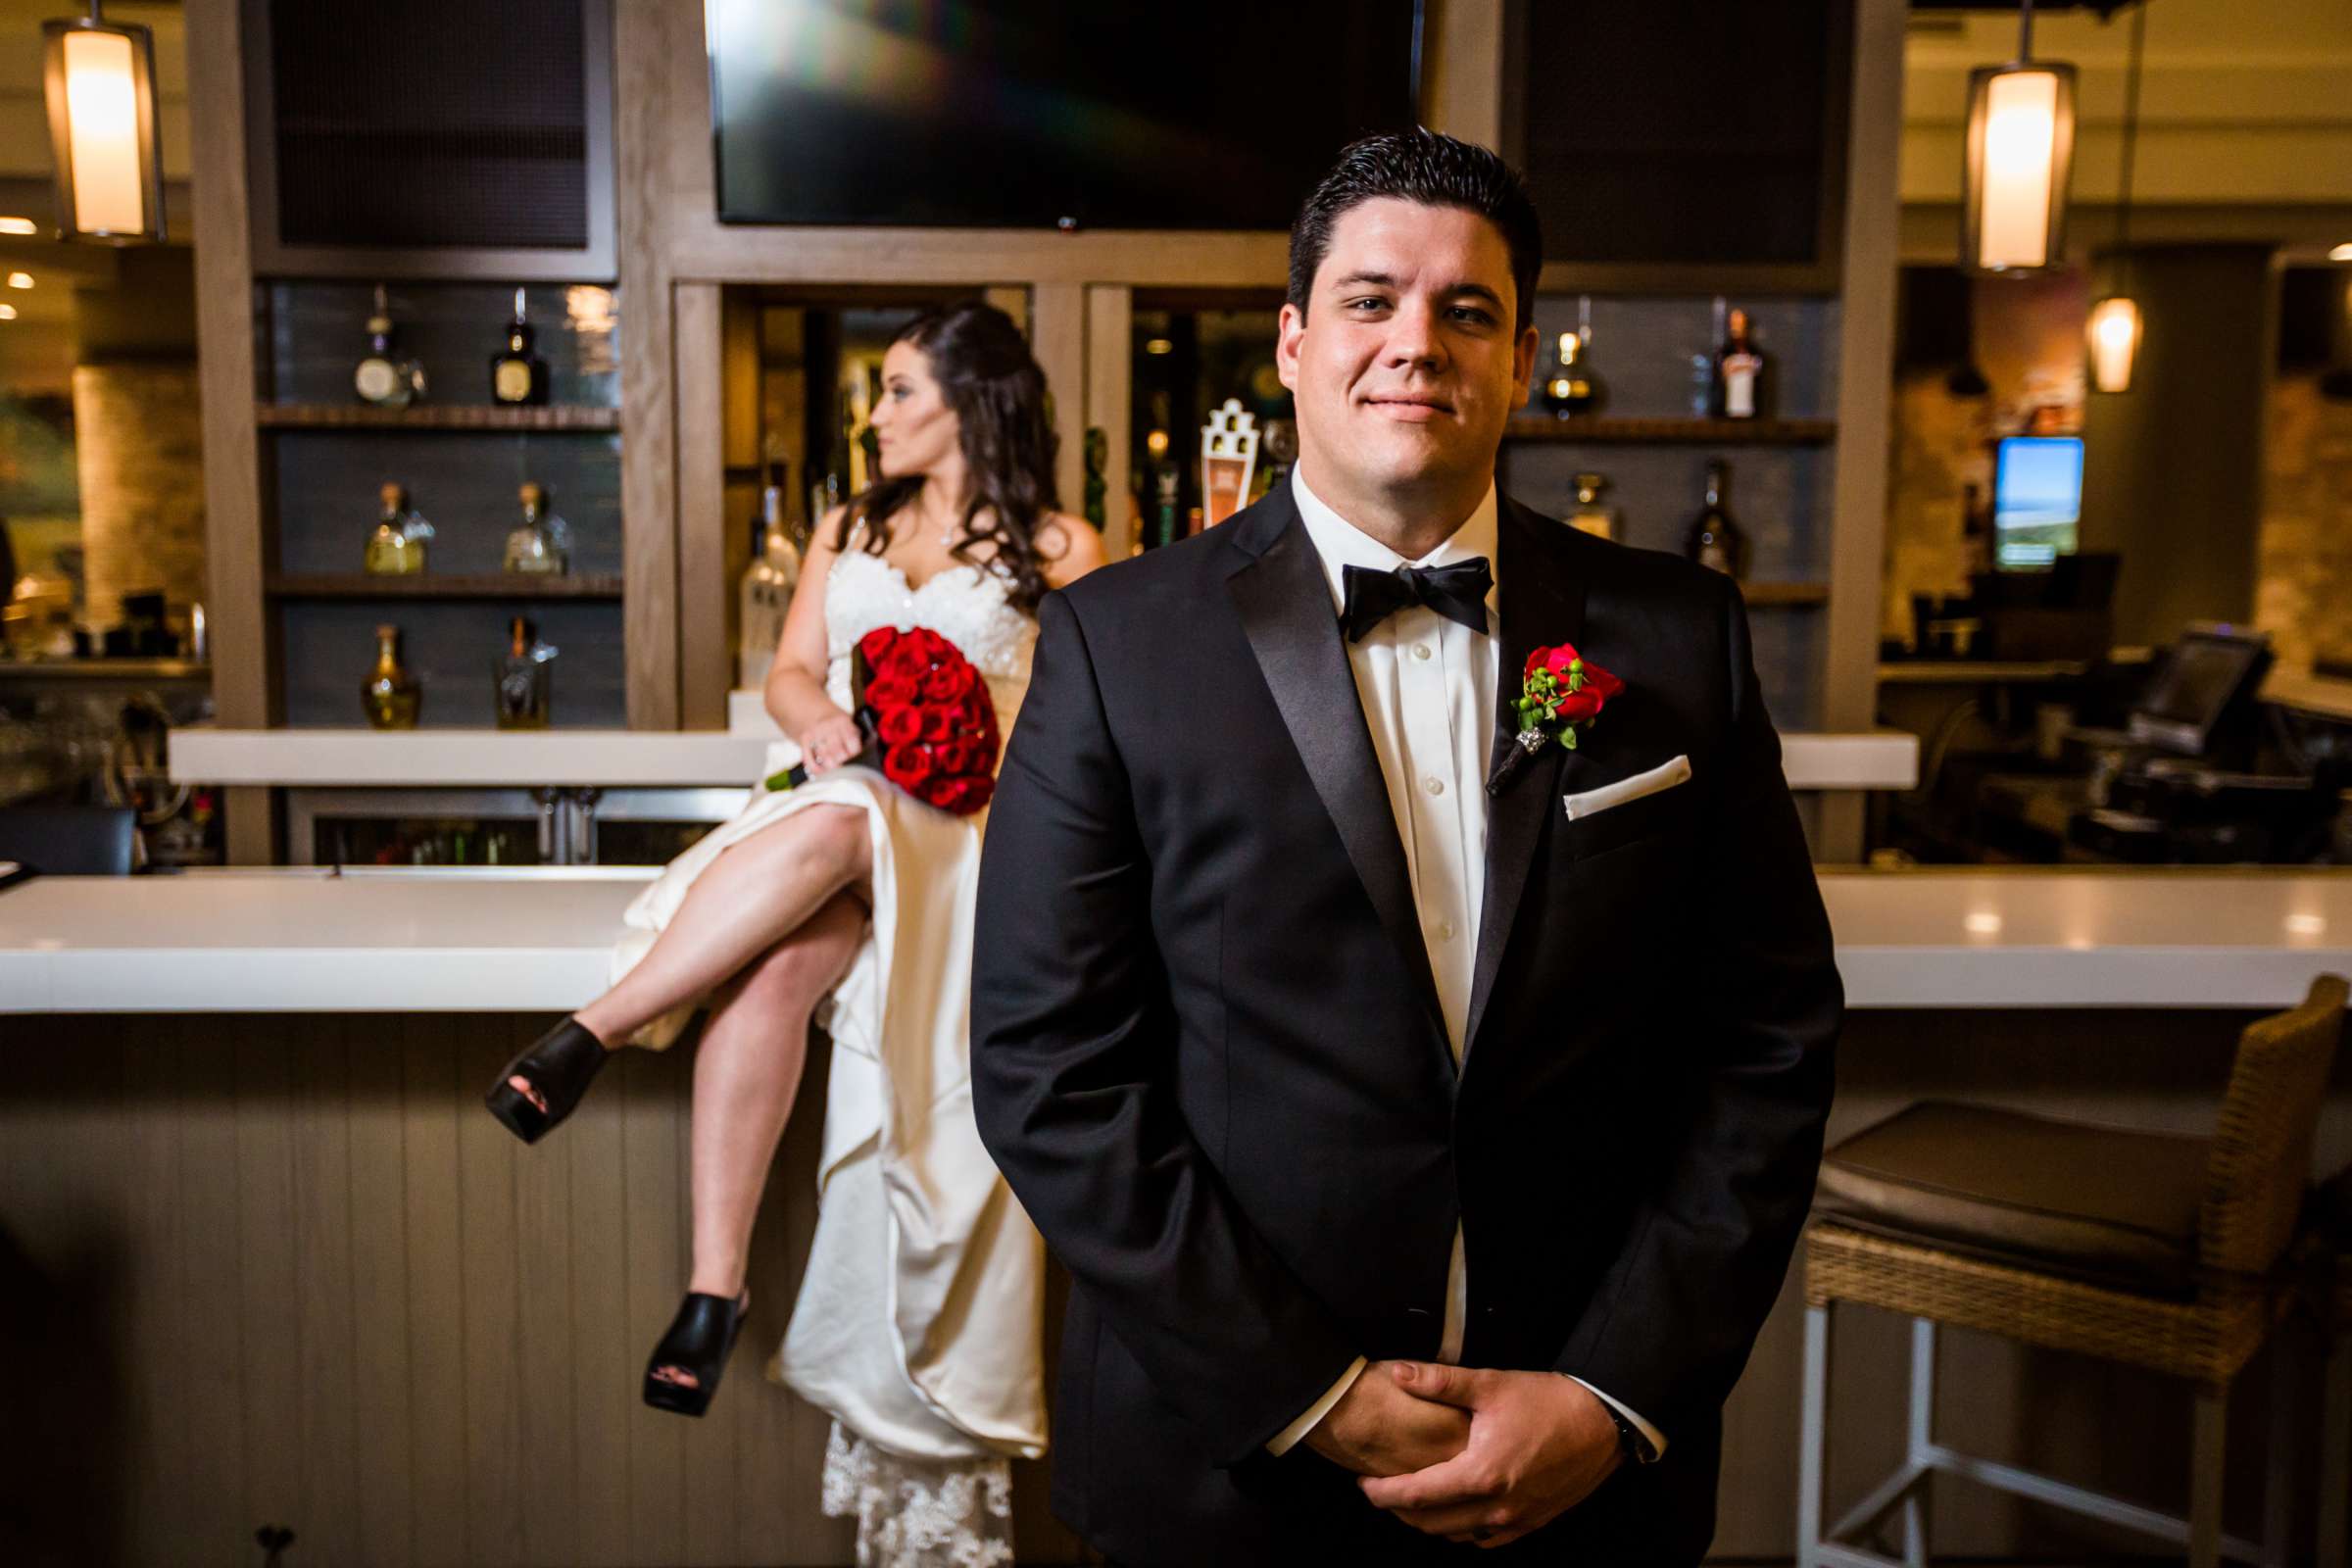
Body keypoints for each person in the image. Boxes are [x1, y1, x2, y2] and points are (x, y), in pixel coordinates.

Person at [970, 130, 1843, 1565]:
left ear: (1519, 354)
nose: (1416, 345)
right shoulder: (1116, 643)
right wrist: (1306, 1393)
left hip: (1583, 1471)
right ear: (1296, 341)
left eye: (1469, 310)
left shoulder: (1682, 637)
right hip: (1228, 1471)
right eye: (1373, 300)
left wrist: (1612, 1387)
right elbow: (1047, 1066)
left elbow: (1767, 1040)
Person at [484, 302, 1104, 1567]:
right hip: (835, 803)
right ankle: (716, 1293)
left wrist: (971, 741)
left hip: (970, 842)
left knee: (837, 835)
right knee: (772, 970)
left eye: (897, 392)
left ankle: (592, 1036)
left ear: (970, 404)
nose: (874, 416)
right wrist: (821, 714)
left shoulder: (1064, 544)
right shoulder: (850, 527)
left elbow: (1094, 728)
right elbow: (786, 670)